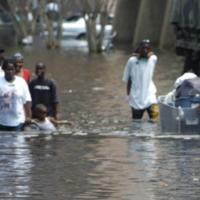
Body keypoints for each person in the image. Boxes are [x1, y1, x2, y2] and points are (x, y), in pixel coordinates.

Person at [122, 39, 159, 121]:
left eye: (147, 48)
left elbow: (151, 54)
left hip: (150, 96)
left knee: (155, 118)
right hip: (136, 98)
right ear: (139, 49)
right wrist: (128, 95)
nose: (145, 50)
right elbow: (129, 79)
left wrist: (143, 54)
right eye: (143, 48)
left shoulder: (153, 59)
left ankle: (152, 133)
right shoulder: (132, 61)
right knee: (136, 122)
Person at [0, 59, 32, 131]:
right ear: (3, 70)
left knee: (18, 142)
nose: (10, 72)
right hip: (1, 122)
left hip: (18, 122)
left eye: (12, 69)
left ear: (15, 70)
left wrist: (29, 116)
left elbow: (27, 100)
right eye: (8, 69)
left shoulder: (21, 82)